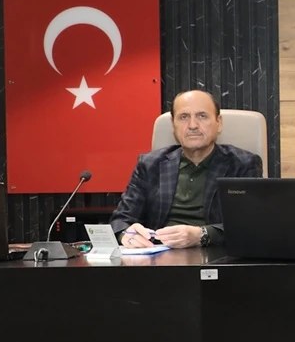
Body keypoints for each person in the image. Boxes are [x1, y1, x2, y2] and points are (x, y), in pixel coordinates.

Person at [110, 90, 263, 249]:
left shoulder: (242, 164)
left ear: (219, 123)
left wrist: (202, 235)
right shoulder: (150, 165)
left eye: (202, 116)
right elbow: (120, 220)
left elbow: (250, 223)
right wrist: (126, 234)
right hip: (157, 254)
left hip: (215, 255)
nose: (192, 125)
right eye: (184, 117)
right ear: (173, 125)